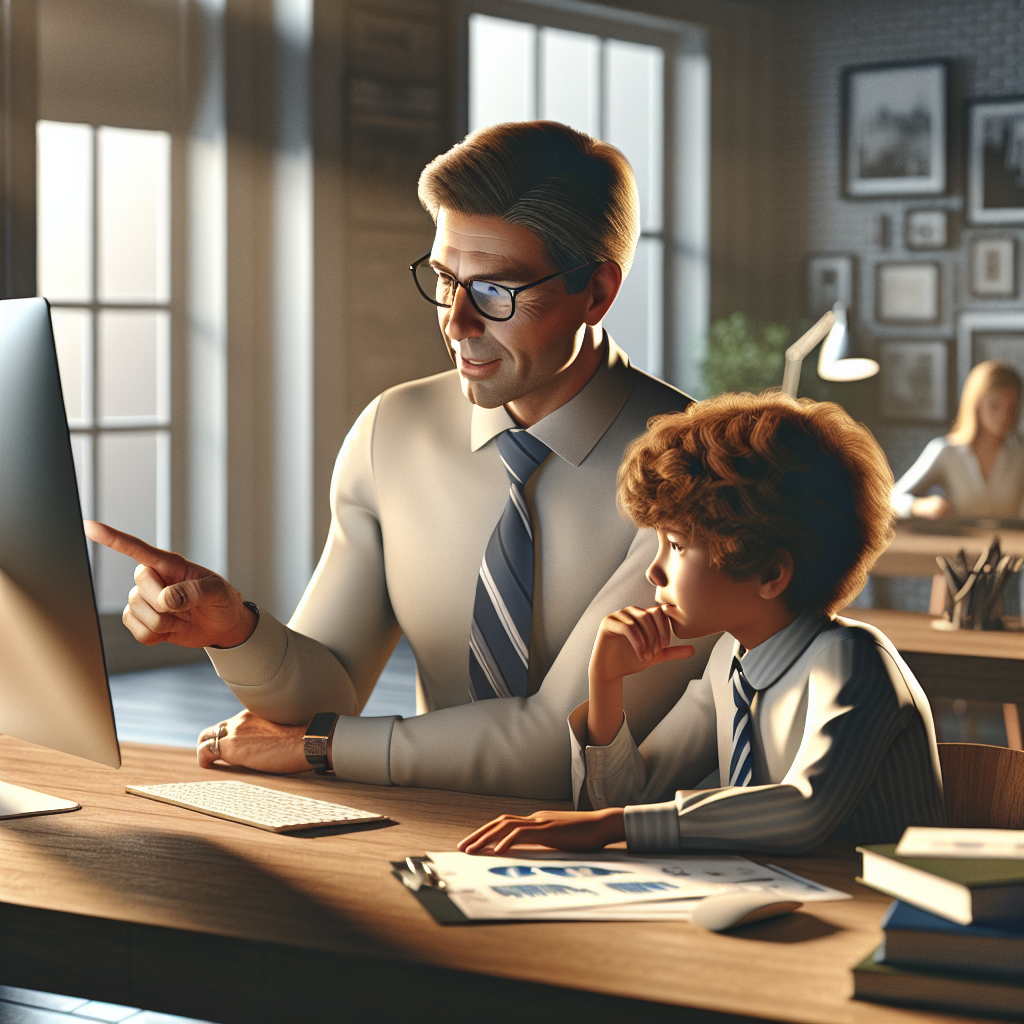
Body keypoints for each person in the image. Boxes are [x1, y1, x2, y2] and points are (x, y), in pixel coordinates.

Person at [85, 120, 720, 797]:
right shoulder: (394, 430)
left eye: (497, 291)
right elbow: (330, 681)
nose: (457, 320)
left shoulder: (703, 467)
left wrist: (321, 747)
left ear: (596, 292)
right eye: (447, 279)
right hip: (430, 834)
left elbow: (558, 743)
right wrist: (234, 630)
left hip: (639, 854)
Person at [459, 392, 945, 855]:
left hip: (887, 923)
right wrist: (606, 685)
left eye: (674, 546)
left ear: (770, 572)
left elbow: (803, 811)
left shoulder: (854, 661)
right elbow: (631, 797)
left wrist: (615, 825)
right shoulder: (729, 663)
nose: (654, 572)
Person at [892, 360, 1024, 520]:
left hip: (1011, 544)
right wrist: (919, 506)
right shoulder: (946, 451)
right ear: (977, 404)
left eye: (1011, 407)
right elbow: (890, 501)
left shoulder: (1020, 454)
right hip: (960, 544)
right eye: (994, 405)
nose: (1004, 416)